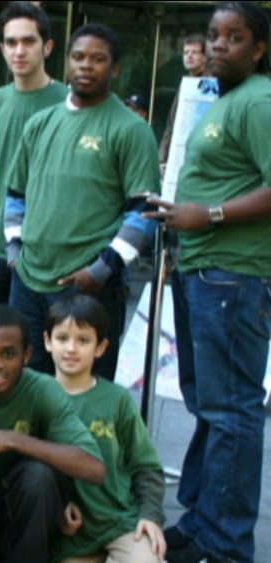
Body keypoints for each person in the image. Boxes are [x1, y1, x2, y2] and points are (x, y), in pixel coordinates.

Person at [143, 3, 271, 561]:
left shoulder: (260, 101)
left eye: (234, 38)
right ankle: (201, 522)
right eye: (213, 36)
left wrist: (209, 215)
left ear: (259, 49)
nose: (218, 46)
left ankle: (226, 545)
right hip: (200, 269)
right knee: (209, 406)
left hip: (233, 277)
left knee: (232, 412)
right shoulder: (223, 99)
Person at [5, 23, 160, 381]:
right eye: (78, 57)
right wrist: (14, 252)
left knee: (83, 392)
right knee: (26, 387)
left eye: (97, 59)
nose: (86, 65)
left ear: (115, 68)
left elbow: (144, 211)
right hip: (27, 282)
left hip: (87, 287)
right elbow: (14, 196)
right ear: (66, 62)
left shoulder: (131, 130)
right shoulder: (40, 123)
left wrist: (101, 270)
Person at [0, 305, 104, 563]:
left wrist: (13, 440)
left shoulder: (42, 390)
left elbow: (94, 468)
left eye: (8, 354)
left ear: (27, 356)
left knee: (39, 475)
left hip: (14, 512)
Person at [0, 1, 68, 305]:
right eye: (11, 42)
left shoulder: (68, 103)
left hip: (43, 254)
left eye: (28, 41)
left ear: (47, 47)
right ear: (2, 49)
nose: (19, 51)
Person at [45, 295, 165, 563]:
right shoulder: (37, 397)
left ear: (101, 347)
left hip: (120, 522)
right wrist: (58, 506)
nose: (71, 348)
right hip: (69, 535)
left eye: (83, 340)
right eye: (62, 338)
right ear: (47, 341)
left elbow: (146, 466)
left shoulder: (117, 399)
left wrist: (150, 515)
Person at [158, 33, 207, 175]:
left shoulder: (211, 85)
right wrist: (162, 158)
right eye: (186, 52)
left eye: (194, 52)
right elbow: (172, 123)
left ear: (205, 57)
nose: (189, 56)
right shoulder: (185, 83)